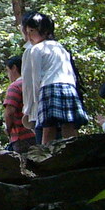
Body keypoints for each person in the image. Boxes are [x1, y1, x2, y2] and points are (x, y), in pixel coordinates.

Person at [20, 11, 89, 144]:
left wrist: (32, 107)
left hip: (48, 88)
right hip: (68, 87)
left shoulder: (36, 49)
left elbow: (35, 80)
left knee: (48, 127)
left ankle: (46, 156)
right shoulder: (60, 47)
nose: (29, 36)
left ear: (45, 31)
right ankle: (76, 152)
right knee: (69, 124)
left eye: (32, 31)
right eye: (27, 32)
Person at [2, 54, 36, 153]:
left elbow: (9, 112)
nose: (8, 75)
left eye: (8, 71)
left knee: (25, 166)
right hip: (37, 132)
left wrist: (8, 129)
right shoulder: (34, 83)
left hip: (22, 137)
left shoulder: (15, 86)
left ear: (14, 68)